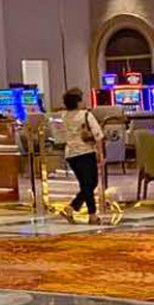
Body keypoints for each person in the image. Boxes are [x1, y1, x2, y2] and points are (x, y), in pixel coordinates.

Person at [59, 88, 103, 223]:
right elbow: (97, 134)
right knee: (91, 183)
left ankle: (74, 209)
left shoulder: (63, 116)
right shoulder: (86, 115)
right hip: (86, 152)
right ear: (78, 102)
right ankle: (91, 214)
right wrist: (100, 153)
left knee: (86, 185)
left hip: (71, 154)